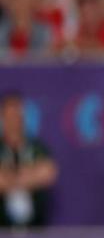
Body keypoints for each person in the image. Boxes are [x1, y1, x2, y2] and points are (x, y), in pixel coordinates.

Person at [0, 93, 58, 228]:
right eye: (9, 116)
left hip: (34, 230)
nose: (13, 121)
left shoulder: (36, 147)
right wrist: (30, 175)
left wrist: (9, 177)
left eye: (16, 115)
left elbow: (48, 173)